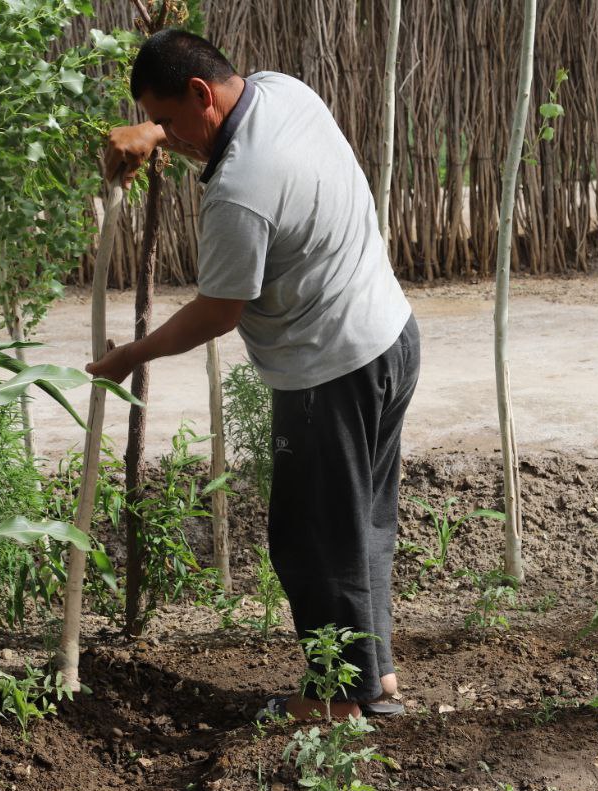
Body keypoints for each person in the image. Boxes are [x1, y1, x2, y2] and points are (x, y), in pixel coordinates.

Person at [90, 29, 418, 721]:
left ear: (201, 94)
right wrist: (158, 131)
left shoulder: (238, 192)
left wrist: (131, 356)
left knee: (310, 538)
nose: (171, 134)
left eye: (170, 118)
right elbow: (210, 123)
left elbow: (217, 312)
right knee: (361, 520)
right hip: (389, 337)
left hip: (329, 372)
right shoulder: (282, 91)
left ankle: (336, 702)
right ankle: (376, 678)